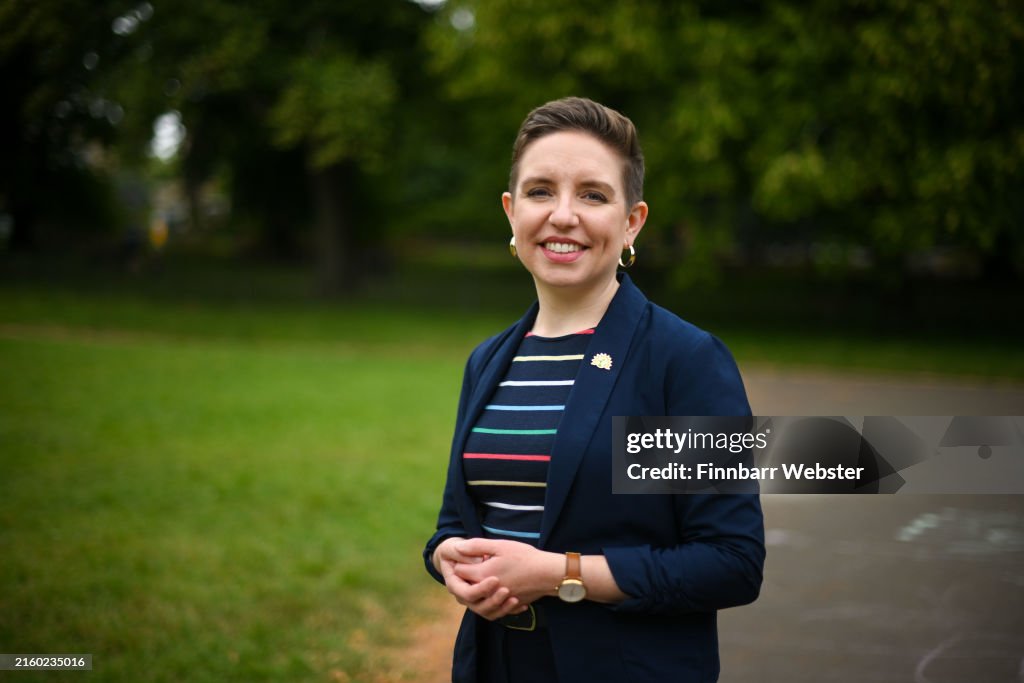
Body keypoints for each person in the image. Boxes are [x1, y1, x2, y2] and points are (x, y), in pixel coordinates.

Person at [423, 96, 765, 683]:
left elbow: (729, 563)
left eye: (593, 195)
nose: (562, 215)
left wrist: (560, 574)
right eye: (539, 191)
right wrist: (443, 557)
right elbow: (457, 524)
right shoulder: (490, 361)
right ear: (510, 212)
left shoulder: (682, 361)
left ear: (632, 221)